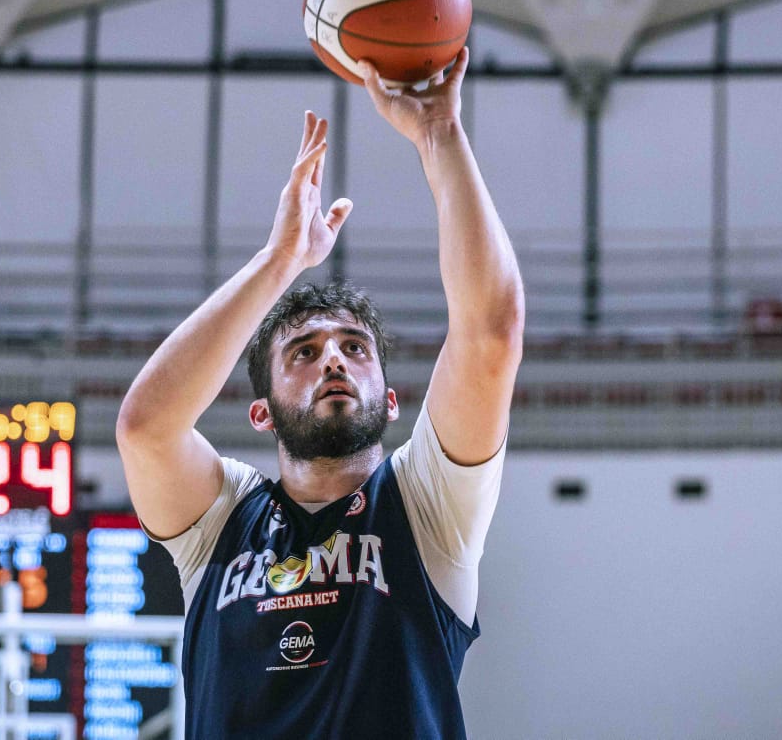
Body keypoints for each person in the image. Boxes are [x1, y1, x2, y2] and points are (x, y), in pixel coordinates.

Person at [116, 47, 524, 739]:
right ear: (262, 413)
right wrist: (280, 262)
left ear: (391, 401)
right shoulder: (221, 521)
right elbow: (145, 428)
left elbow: (491, 331)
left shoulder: (428, 505)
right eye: (304, 353)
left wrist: (438, 134)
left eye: (354, 348)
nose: (333, 359)